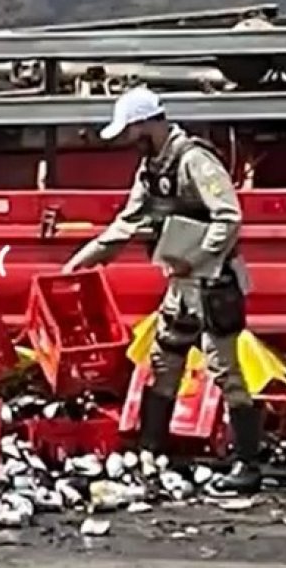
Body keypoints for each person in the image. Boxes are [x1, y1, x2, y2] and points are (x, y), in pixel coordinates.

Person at [61, 85, 265, 494]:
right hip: (181, 281)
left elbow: (229, 217)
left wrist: (199, 257)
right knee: (164, 357)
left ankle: (248, 463)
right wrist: (78, 264)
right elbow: (126, 223)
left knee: (224, 369)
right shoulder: (152, 169)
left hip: (212, 281)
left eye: (130, 130)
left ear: (146, 124)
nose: (125, 140)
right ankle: (153, 449)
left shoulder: (195, 160)